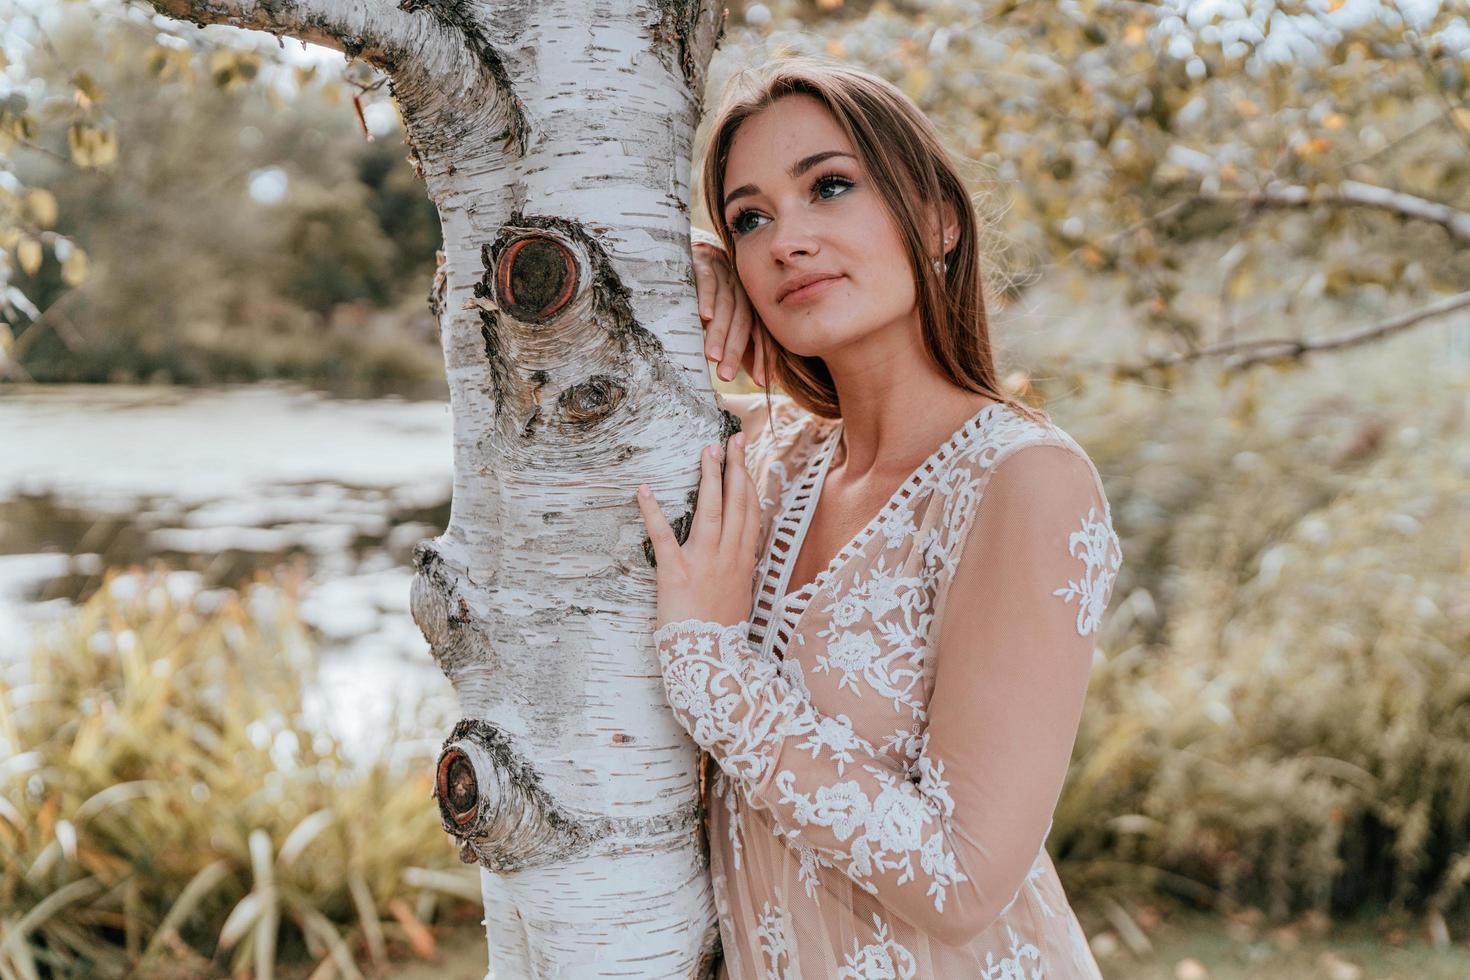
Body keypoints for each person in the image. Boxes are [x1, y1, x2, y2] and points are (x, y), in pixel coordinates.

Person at [635, 57, 1123, 979]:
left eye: (829, 186)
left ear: (936, 219)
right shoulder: (770, 463)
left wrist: (713, 668)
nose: (787, 241)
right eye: (752, 217)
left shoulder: (1024, 483)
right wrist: (679, 264)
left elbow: (963, 879)